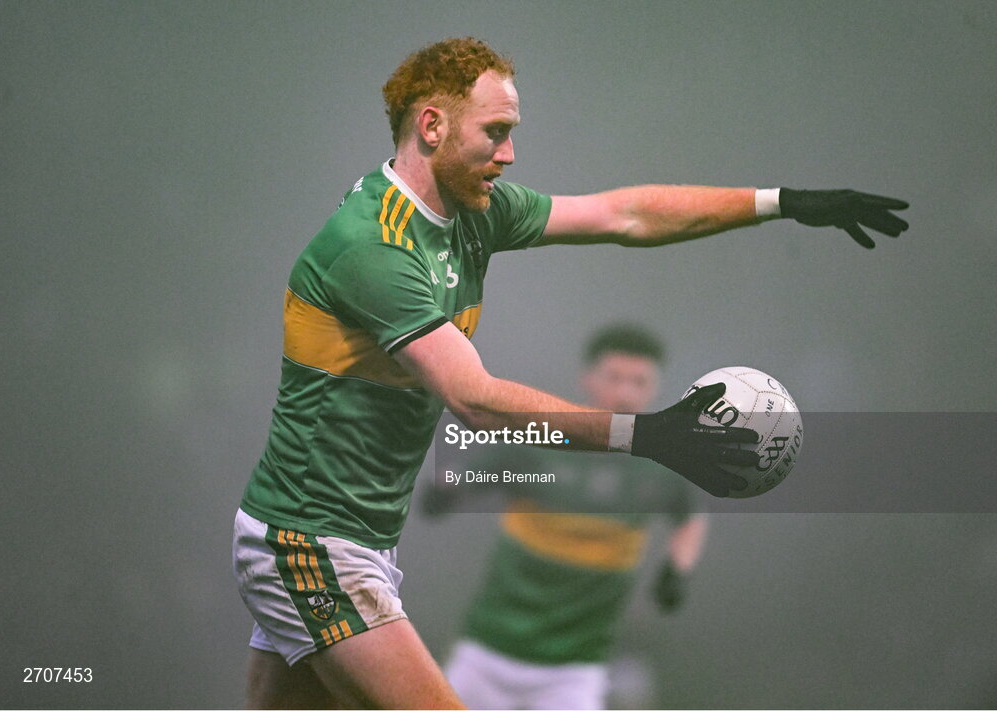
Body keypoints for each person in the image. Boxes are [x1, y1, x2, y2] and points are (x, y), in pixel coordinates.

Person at [231, 36, 909, 709]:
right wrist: (648, 435)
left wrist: (779, 201)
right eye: (495, 132)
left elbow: (625, 214)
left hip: (349, 540)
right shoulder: (375, 246)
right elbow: (475, 401)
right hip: (310, 543)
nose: (509, 153)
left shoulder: (470, 216)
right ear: (432, 126)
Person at [428, 324, 708, 709]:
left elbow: (690, 516)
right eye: (614, 378)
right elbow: (467, 472)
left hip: (574, 671)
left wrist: (677, 568)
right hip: (486, 653)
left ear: (656, 387)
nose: (626, 392)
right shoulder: (542, 439)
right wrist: (445, 488)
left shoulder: (662, 467)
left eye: (639, 381)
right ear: (587, 379)